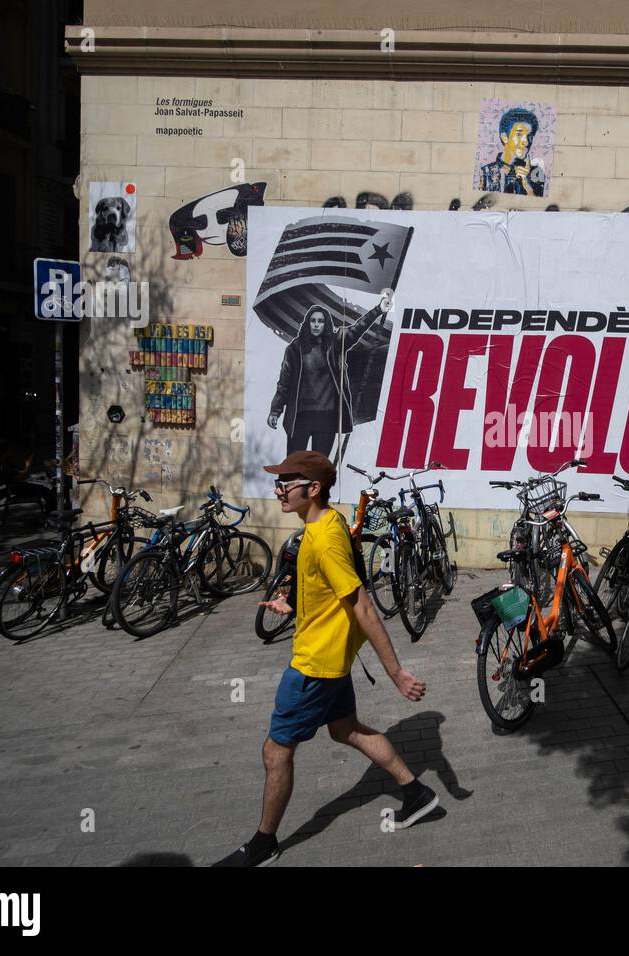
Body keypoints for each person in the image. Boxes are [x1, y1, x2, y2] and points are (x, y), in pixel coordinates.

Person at [214, 450, 437, 867]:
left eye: (287, 482)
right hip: (332, 660)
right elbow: (327, 589)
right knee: (345, 730)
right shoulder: (326, 521)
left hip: (313, 666)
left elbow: (363, 606)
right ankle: (417, 793)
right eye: (279, 482)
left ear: (313, 489)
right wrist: (295, 603)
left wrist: (396, 673)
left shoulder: (323, 537)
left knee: (276, 751)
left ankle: (263, 845)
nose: (279, 489)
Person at [268, 304, 386, 458]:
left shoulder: (335, 343)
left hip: (327, 417)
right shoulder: (295, 349)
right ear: (307, 323)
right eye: (313, 321)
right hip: (300, 417)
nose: (317, 324)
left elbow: (357, 328)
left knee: (319, 467)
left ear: (326, 324)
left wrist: (379, 309)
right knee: (294, 466)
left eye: (321, 321)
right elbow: (284, 382)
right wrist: (275, 410)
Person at [478, 106, 546, 196]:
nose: (526, 142)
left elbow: (540, 207)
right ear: (505, 137)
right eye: (519, 134)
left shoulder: (536, 173)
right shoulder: (485, 172)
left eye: (530, 136)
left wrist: (527, 185)